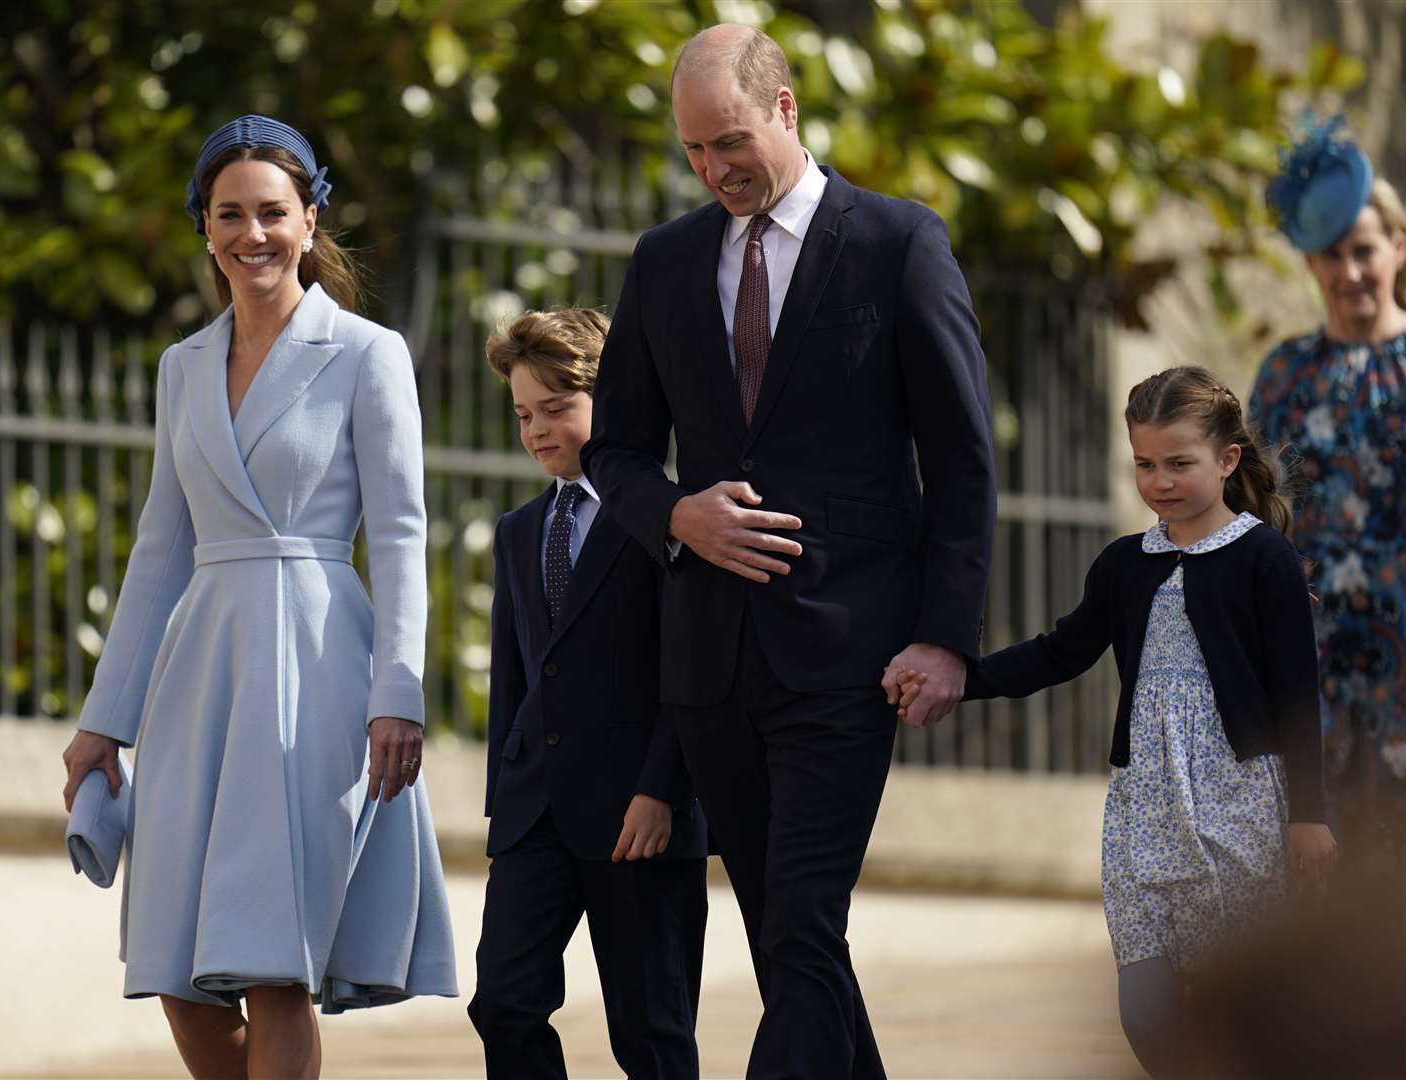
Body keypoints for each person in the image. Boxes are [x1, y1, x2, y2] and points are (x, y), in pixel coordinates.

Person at [581, 24, 997, 1079]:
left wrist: (945, 638)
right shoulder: (665, 263)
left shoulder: (899, 243)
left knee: (805, 922)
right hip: (712, 667)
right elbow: (619, 449)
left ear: (786, 109)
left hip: (849, 658)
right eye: (694, 152)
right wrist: (678, 514)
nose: (716, 169)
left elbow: (962, 462)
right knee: (788, 942)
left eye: (730, 140)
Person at [59, 115, 456, 1080]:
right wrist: (101, 724)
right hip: (198, 680)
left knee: (274, 965)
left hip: (315, 673)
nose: (254, 235)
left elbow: (401, 535)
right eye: (229, 214)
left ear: (311, 219)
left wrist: (397, 694)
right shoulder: (181, 366)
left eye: (274, 212)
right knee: (176, 972)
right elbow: (160, 549)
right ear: (204, 228)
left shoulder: (369, 352)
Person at [901, 366, 1336, 1078]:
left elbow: (1297, 694)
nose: (1158, 481)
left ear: (1227, 461)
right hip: (1142, 806)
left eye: (1178, 463)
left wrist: (1308, 817)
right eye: (1143, 464)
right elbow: (1058, 652)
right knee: (1144, 1009)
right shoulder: (1122, 565)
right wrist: (959, 679)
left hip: (1239, 803)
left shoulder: (1266, 559)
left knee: (1241, 1008)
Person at [468, 308, 708, 1078]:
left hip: (641, 814)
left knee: (651, 1036)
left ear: (615, 404)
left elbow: (693, 670)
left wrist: (661, 791)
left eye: (557, 409)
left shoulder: (672, 519)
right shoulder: (517, 530)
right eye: (521, 415)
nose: (536, 430)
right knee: (503, 1002)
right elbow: (518, 676)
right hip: (535, 812)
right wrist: (503, 801)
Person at [1249, 116, 1406, 875]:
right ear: (1309, 265)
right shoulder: (1284, 374)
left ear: (1398, 248)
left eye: (1363, 251)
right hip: (1306, 660)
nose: (1349, 272)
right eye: (1330, 255)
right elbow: (1251, 515)